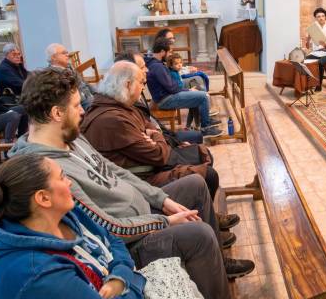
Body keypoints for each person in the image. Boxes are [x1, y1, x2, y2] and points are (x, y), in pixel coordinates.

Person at [11, 68, 268, 299]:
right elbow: (107, 227)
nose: (82, 110)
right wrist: (163, 220)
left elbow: (116, 172)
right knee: (197, 234)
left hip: (142, 214)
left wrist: (161, 199)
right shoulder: (45, 171)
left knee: (194, 184)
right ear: (57, 114)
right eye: (75, 106)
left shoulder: (70, 137)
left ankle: (215, 264)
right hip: (127, 242)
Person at [0, 154, 221, 299]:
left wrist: (119, 278)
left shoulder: (66, 215)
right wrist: (133, 280)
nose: (69, 182)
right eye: (62, 177)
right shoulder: (32, 271)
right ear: (43, 198)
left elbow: (112, 241)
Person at [82, 61, 235, 213]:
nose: (143, 87)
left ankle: (209, 214)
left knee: (202, 154)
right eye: (141, 83)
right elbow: (158, 155)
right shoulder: (112, 119)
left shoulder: (120, 104)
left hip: (145, 163)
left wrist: (152, 134)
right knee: (208, 174)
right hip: (140, 178)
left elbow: (148, 124)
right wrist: (155, 135)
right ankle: (208, 220)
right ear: (128, 85)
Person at [115, 52, 205, 145]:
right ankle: (204, 128)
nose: (147, 70)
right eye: (142, 67)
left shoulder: (134, 93)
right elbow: (147, 142)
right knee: (201, 96)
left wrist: (168, 135)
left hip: (162, 136)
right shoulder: (124, 108)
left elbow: (149, 120)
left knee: (197, 136)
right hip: (161, 143)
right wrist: (174, 143)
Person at [145, 38, 222, 137]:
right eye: (169, 52)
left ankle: (204, 118)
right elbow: (172, 88)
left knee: (197, 86)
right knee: (202, 96)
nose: (170, 55)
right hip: (166, 99)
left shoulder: (155, 63)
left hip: (167, 94)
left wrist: (187, 87)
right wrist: (188, 90)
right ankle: (205, 129)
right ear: (162, 52)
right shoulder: (157, 67)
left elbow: (171, 83)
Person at [46, 43, 96, 110]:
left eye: (67, 52)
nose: (67, 55)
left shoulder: (69, 66)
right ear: (53, 57)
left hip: (91, 99)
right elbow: (72, 100)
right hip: (83, 106)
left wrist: (98, 93)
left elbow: (83, 82)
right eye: (64, 53)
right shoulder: (52, 74)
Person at [304, 7, 326, 91]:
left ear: (325, 17)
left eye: (322, 16)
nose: (320, 18)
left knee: (320, 63)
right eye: (318, 16)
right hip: (315, 53)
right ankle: (307, 84)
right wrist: (308, 39)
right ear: (316, 18)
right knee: (304, 62)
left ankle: (318, 85)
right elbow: (307, 47)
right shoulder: (313, 29)